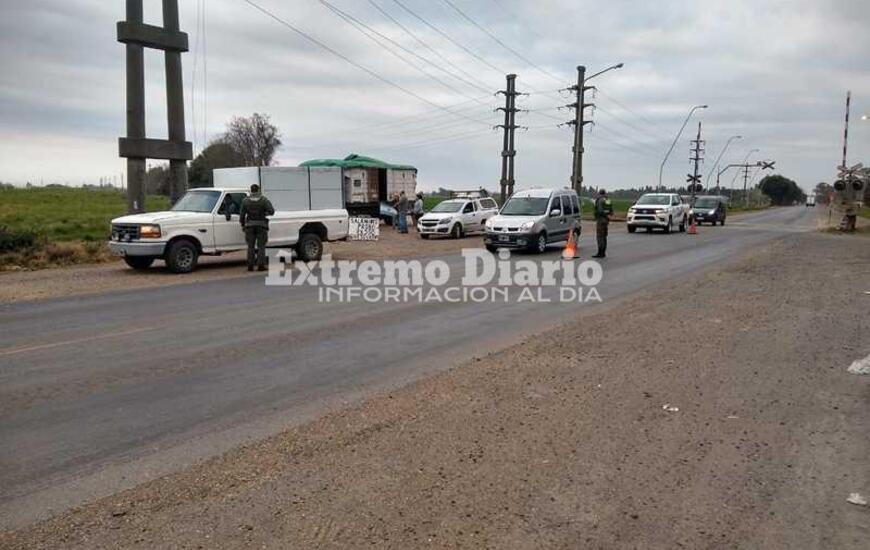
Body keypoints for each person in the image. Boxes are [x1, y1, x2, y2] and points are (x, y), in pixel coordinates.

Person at [239, 183, 275, 271]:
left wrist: (243, 225)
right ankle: (261, 265)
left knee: (250, 246)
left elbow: (242, 215)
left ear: (251, 190)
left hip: (249, 226)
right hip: (261, 225)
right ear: (258, 190)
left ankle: (250, 266)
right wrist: (265, 213)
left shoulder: (245, 201)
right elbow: (272, 211)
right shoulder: (264, 200)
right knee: (261, 246)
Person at [593, 188, 613, 258]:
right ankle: (603, 252)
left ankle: (600, 252)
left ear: (600, 193)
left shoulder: (600, 200)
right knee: (604, 236)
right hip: (606, 221)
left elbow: (600, 210)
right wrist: (608, 216)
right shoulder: (608, 200)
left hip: (601, 220)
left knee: (600, 237)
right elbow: (611, 211)